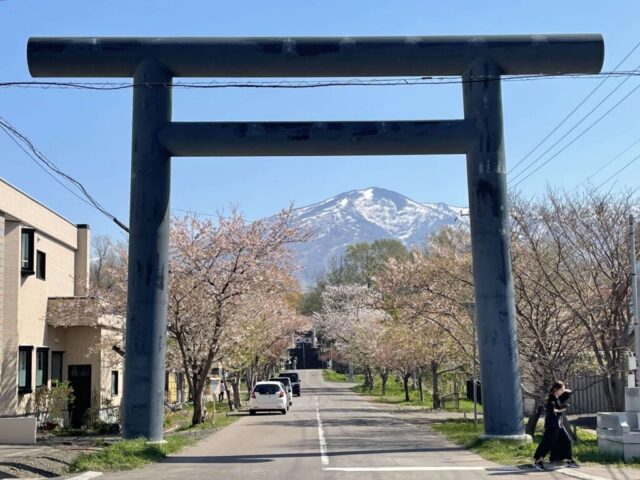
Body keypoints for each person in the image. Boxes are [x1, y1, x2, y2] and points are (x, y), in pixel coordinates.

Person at [533, 381, 579, 470]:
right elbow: (551, 410)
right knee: (547, 443)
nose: (563, 391)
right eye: (561, 389)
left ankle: (569, 460)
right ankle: (538, 461)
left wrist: (563, 388)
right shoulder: (551, 398)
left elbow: (568, 392)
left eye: (563, 389)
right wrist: (561, 410)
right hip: (552, 425)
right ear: (555, 390)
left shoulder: (557, 397)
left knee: (567, 441)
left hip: (558, 424)